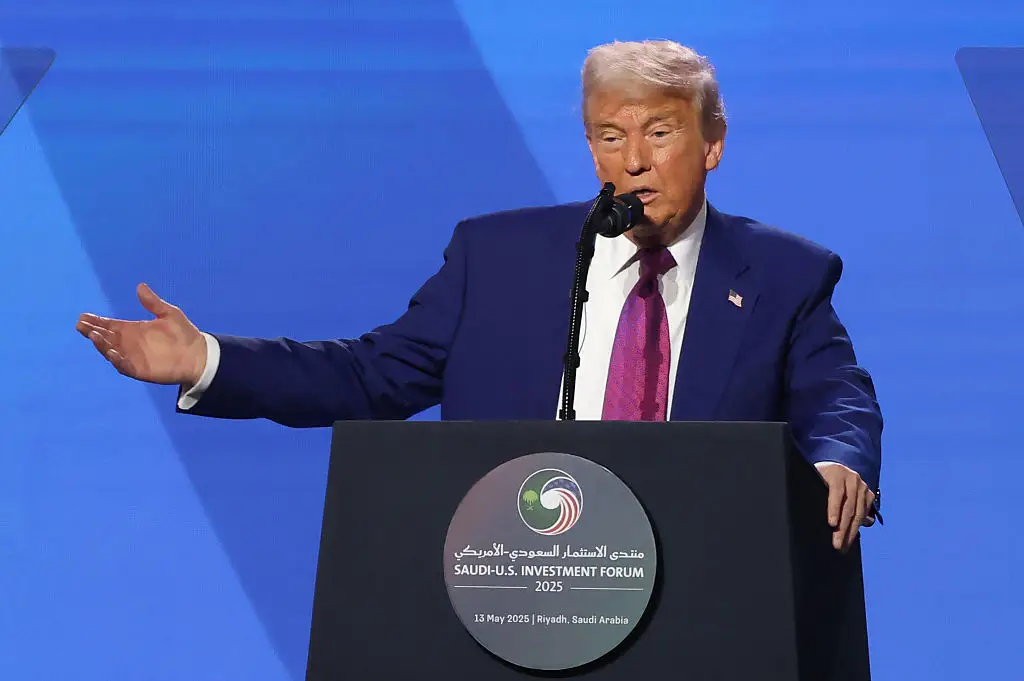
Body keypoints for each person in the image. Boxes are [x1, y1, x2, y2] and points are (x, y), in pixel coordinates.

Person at [76, 40, 882, 552]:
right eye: (610, 135)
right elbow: (370, 376)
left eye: (660, 132)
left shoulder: (783, 273)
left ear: (712, 144)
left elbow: (837, 397)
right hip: (516, 584)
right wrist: (208, 359)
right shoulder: (498, 257)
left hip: (706, 592)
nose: (633, 160)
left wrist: (838, 460)